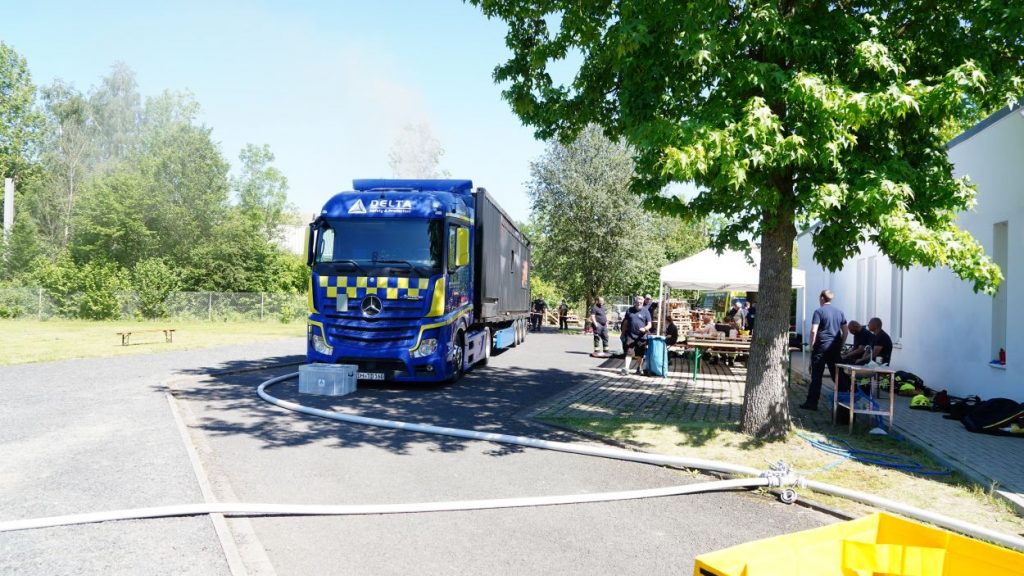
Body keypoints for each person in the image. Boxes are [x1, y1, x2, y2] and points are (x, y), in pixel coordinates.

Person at [800, 289, 848, 410]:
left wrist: (811, 346)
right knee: (837, 375)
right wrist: (840, 345)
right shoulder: (840, 312)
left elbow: (813, 331)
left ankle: (812, 403)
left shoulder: (819, 311)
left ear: (822, 298)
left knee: (816, 376)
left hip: (820, 348)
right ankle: (845, 401)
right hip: (834, 348)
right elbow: (845, 331)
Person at [620, 296, 652, 375]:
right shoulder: (629, 310)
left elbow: (649, 324)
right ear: (635, 302)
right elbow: (625, 323)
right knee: (629, 352)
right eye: (637, 302)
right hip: (630, 335)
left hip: (641, 336)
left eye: (641, 303)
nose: (639, 304)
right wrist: (622, 333)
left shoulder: (646, 311)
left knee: (640, 354)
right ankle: (626, 368)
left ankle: (639, 368)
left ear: (643, 303)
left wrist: (645, 328)